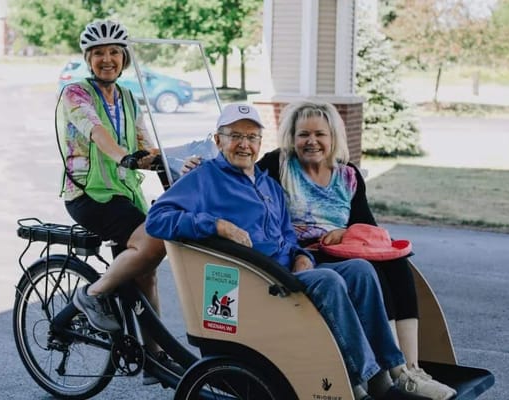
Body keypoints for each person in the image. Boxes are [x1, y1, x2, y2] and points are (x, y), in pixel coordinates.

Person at [145, 103, 430, 400]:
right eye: (235, 136)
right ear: (218, 140)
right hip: (256, 281)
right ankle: (360, 386)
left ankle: (389, 373)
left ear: (259, 143)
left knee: (360, 270)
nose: (244, 144)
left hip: (285, 272)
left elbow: (287, 237)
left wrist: (302, 256)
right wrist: (216, 225)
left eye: (252, 137)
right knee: (330, 282)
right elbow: (157, 219)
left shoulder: (269, 185)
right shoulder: (205, 178)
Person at [254, 100, 456, 400]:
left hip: (342, 251)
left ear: (333, 136)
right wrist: (195, 166)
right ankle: (383, 373)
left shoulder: (347, 175)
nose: (312, 141)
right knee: (368, 270)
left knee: (398, 265)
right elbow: (237, 174)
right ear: (291, 137)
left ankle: (408, 370)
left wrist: (346, 231)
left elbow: (369, 227)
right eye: (303, 134)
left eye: (320, 134)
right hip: (303, 256)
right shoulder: (278, 164)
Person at [56, 20, 178, 384]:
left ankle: (153, 359)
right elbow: (97, 131)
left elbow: (144, 143)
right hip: (88, 195)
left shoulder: (127, 96)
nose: (106, 59)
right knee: (153, 242)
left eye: (113, 53)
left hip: (124, 195)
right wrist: (125, 155)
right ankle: (92, 296)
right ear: (88, 60)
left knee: (147, 273)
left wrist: (174, 167)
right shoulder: (75, 94)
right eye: (98, 54)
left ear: (123, 58)